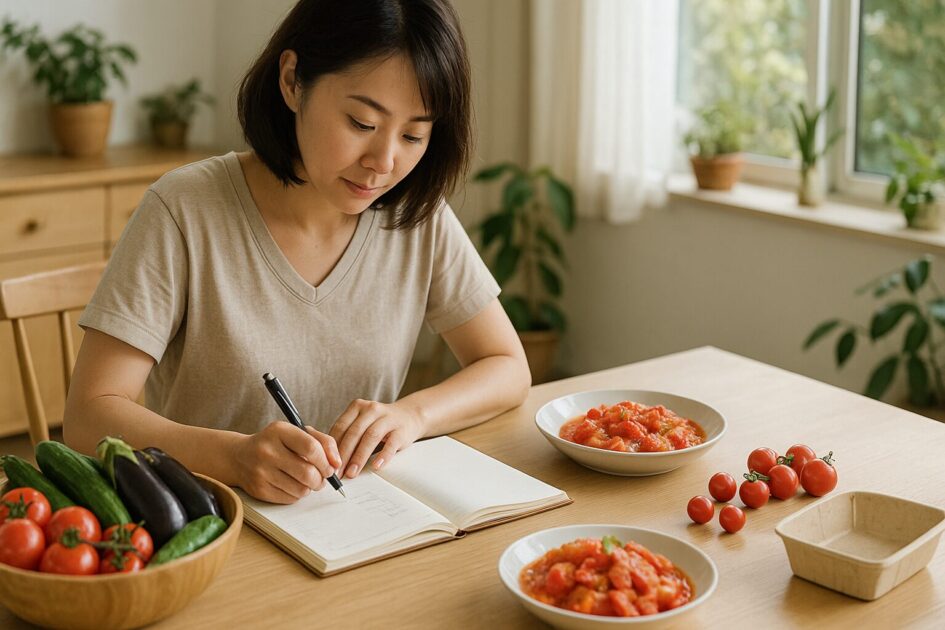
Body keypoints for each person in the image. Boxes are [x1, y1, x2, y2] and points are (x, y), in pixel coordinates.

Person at [63, 0, 530, 504]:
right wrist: (234, 457)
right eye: (361, 123)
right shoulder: (184, 209)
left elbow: (506, 366)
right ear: (292, 81)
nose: (384, 162)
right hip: (210, 524)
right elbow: (90, 416)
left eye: (414, 134)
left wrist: (412, 415)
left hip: (358, 522)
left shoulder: (416, 215)